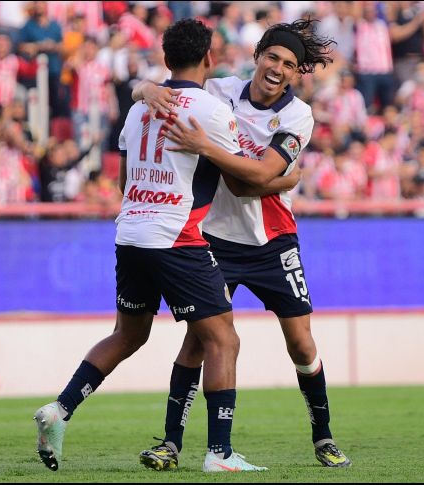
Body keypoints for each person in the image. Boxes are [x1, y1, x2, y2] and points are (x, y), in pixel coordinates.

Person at [33, 19, 269, 473]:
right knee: (223, 339)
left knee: (129, 334)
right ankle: (219, 453)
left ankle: (59, 410)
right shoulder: (213, 110)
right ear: (209, 59)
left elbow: (124, 182)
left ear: (165, 59)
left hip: (131, 233)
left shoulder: (138, 110)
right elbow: (243, 178)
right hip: (176, 236)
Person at [132, 18, 351, 470]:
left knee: (301, 344)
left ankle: (323, 436)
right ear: (257, 56)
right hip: (212, 239)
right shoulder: (219, 91)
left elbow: (254, 181)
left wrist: (208, 149)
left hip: (273, 239)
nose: (278, 68)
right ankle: (170, 444)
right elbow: (170, 85)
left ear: (296, 75)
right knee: (198, 342)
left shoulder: (297, 117)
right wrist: (145, 88)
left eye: (289, 65)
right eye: (272, 57)